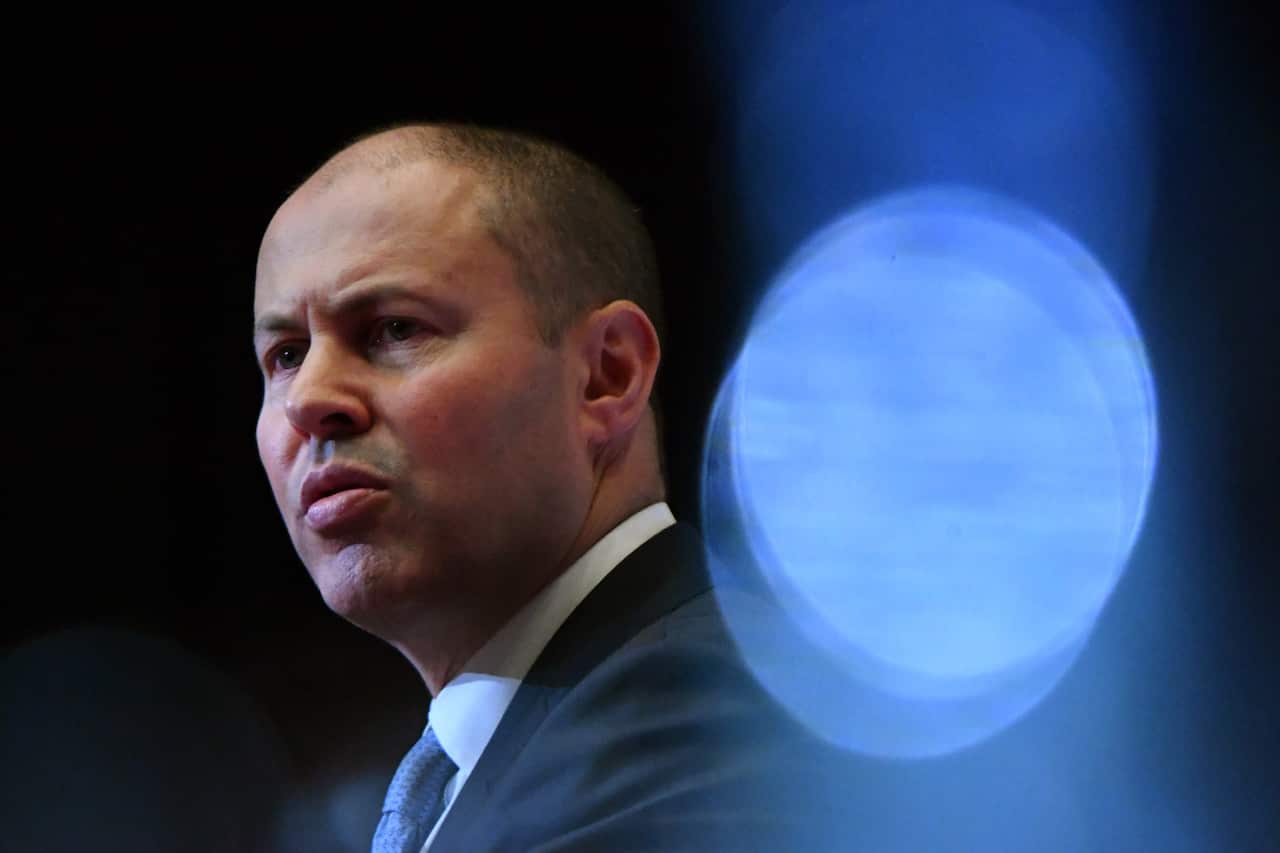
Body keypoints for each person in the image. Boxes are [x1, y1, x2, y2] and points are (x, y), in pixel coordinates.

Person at [253, 123, 844, 851]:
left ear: (607, 375)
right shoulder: (530, 743)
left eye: (394, 328)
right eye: (284, 354)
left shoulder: (706, 715)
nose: (308, 398)